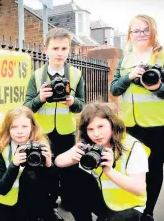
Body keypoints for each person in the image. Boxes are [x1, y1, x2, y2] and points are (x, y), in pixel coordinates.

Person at [23, 27, 85, 214]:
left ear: (69, 50)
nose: (60, 53)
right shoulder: (36, 76)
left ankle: (67, 200)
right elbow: (26, 107)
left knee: (68, 170)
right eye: (55, 48)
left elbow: (82, 105)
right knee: (45, 172)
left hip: (67, 132)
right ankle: (48, 208)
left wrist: (73, 101)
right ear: (45, 49)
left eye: (64, 49)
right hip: (43, 133)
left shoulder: (76, 74)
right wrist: (40, 98)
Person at [110, 14, 164, 221]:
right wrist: (130, 76)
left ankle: (148, 211)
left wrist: (158, 87)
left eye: (145, 30)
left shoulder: (161, 57)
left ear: (153, 31)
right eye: (136, 30)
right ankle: (137, 206)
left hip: (157, 124)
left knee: (154, 169)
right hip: (131, 125)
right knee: (134, 167)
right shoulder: (126, 59)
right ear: (129, 35)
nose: (141, 34)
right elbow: (114, 89)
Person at [54, 103, 149, 221]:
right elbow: (58, 162)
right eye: (90, 129)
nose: (96, 134)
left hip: (129, 205)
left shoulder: (133, 146)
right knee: (72, 173)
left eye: (100, 127)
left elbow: (138, 189)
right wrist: (72, 157)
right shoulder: (89, 144)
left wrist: (109, 171)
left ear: (112, 123)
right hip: (104, 200)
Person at [0, 106, 60, 221]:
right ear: (8, 129)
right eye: (14, 127)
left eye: (24, 126)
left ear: (32, 127)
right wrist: (14, 165)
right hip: (7, 205)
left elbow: (51, 189)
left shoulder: (41, 146)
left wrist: (49, 166)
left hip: (33, 205)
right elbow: (1, 188)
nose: (20, 131)